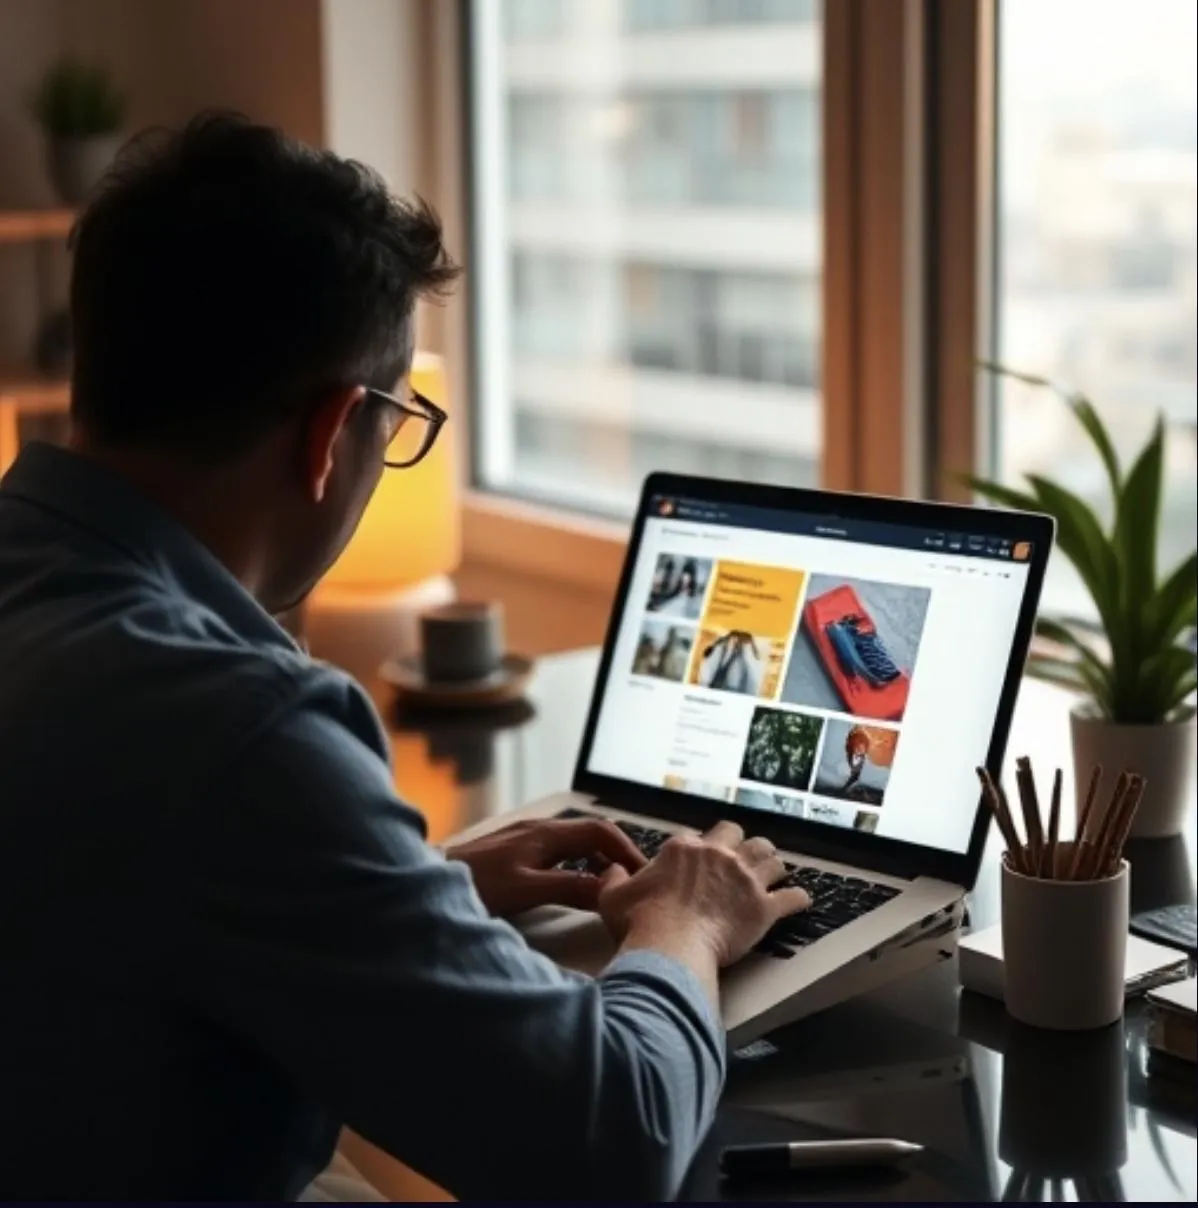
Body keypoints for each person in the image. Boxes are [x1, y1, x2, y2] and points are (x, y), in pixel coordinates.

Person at [0, 114, 808, 1202]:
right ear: (333, 430)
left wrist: (416, 894)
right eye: (398, 419)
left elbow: (108, 897)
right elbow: (612, 1142)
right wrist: (685, 920)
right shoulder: (240, 726)